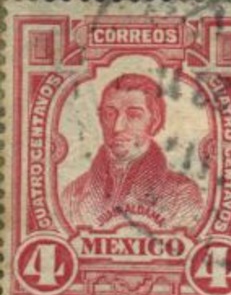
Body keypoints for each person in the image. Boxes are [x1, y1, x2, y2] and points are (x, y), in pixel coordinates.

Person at [62, 72, 205, 231]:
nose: (118, 127)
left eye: (134, 115)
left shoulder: (182, 195)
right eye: (109, 114)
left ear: (154, 121)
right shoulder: (72, 194)